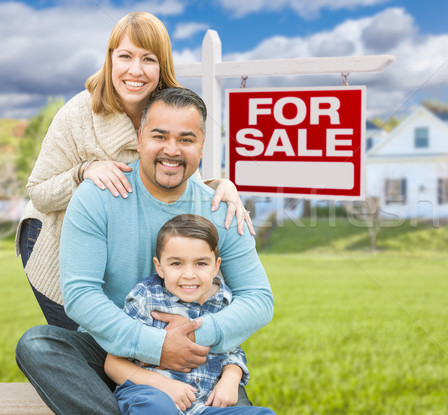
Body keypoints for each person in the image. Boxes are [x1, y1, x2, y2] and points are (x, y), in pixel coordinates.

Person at [16, 87, 273, 415]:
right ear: (139, 139)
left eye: (186, 139)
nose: (172, 149)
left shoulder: (221, 208)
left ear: (202, 146)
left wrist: (195, 336)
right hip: (113, 350)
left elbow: (259, 299)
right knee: (38, 345)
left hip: (195, 356)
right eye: (159, 136)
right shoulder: (98, 196)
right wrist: (156, 345)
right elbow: (80, 294)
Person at [15, 11, 253, 330]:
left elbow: (178, 179)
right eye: (125, 56)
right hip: (53, 241)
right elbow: (40, 193)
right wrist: (82, 171)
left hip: (121, 249)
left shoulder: (170, 109)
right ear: (111, 59)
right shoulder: (78, 114)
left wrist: (220, 184)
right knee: (92, 347)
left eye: (148, 59)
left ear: (161, 66)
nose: (135, 70)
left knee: (131, 342)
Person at [105, 214, 275, 415]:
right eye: (176, 263)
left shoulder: (223, 299)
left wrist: (231, 378)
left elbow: (232, 351)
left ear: (216, 267)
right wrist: (162, 384)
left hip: (201, 406)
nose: (188, 274)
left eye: (201, 264)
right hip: (149, 393)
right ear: (159, 267)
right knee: (156, 407)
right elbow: (113, 363)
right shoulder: (147, 296)